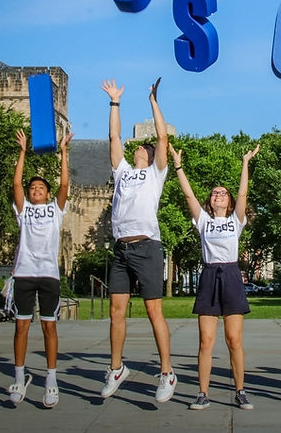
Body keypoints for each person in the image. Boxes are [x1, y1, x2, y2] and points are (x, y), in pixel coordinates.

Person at [100, 78, 176, 403]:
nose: (140, 150)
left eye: (144, 148)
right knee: (116, 311)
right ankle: (117, 368)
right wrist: (115, 102)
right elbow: (114, 136)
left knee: (153, 311)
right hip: (121, 249)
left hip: (147, 247)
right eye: (139, 148)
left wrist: (153, 101)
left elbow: (161, 136)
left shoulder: (155, 173)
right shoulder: (122, 172)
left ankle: (167, 372)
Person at [170, 142, 260, 411]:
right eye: (214, 193)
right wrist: (178, 164)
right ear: (209, 201)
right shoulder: (204, 222)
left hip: (231, 275)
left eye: (223, 193)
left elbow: (244, 193)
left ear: (229, 201)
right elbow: (188, 195)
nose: (218, 195)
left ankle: (240, 391)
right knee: (206, 341)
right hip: (209, 276)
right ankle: (202, 393)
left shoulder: (235, 220)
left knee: (234, 340)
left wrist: (245, 163)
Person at [7, 128, 73, 408]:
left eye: (40, 188)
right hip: (24, 273)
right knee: (21, 326)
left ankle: (51, 379)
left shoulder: (55, 210)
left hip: (48, 275)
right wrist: (22, 152)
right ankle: (19, 377)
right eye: (33, 188)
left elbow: (65, 186)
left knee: (49, 328)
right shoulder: (23, 210)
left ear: (47, 194)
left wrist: (63, 152)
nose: (35, 190)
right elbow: (17, 185)